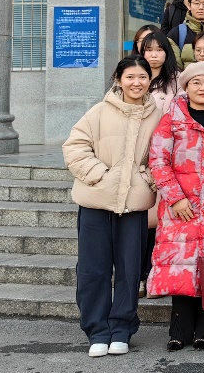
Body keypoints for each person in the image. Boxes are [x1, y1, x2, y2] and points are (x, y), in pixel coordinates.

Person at [63, 55, 161, 357]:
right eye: (130, 77)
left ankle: (121, 328)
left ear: (150, 81)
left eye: (142, 77)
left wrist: (147, 179)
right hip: (96, 202)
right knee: (93, 269)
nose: (136, 83)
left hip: (134, 206)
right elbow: (74, 147)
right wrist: (100, 175)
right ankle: (97, 329)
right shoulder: (99, 111)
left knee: (130, 270)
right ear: (118, 79)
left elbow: (163, 155)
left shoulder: (158, 116)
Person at [146, 62, 204, 351]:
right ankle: (179, 330)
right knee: (182, 268)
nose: (202, 88)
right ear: (186, 87)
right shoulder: (172, 118)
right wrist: (175, 197)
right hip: (182, 207)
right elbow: (158, 159)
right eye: (196, 82)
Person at [139, 30, 180, 114]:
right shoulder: (132, 76)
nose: (154, 55)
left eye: (159, 50)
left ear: (167, 52)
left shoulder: (177, 79)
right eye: (149, 50)